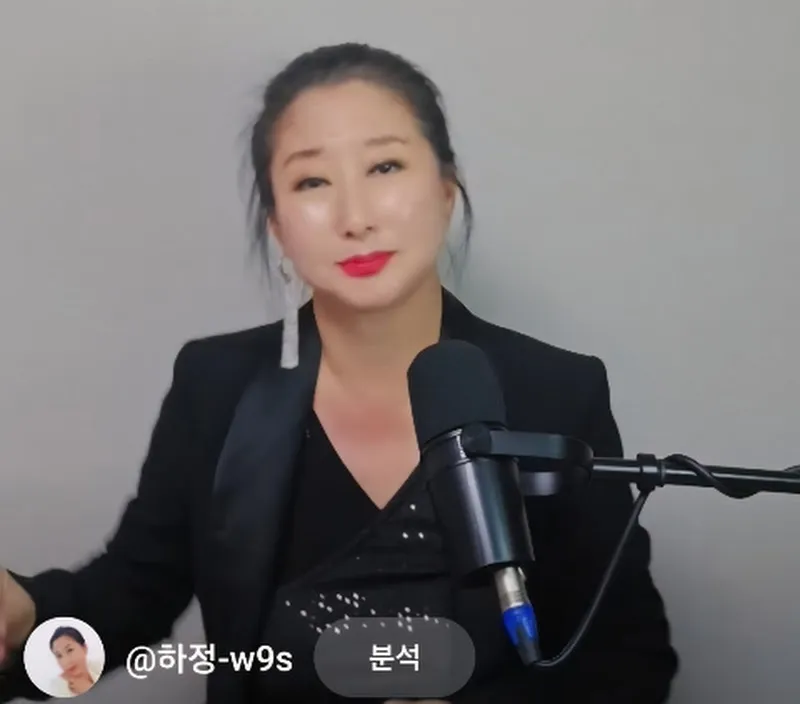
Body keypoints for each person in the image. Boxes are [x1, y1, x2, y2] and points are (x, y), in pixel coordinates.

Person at [0, 43, 679, 703]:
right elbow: (131, 596)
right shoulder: (216, 385)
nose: (355, 218)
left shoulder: (555, 391)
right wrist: (25, 620)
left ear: (446, 190)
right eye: (312, 182)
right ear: (277, 225)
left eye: (384, 167)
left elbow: (627, 658)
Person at [47, 627, 101, 698]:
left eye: (70, 650)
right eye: (59, 656)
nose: (66, 661)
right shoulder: (57, 687)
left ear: (84, 648)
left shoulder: (100, 666)